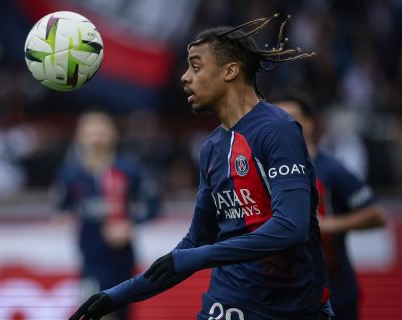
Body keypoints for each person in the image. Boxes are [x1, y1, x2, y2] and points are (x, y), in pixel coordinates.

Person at [69, 14, 334, 320]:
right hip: (225, 306)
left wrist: (197, 258)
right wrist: (114, 296)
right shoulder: (212, 148)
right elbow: (195, 241)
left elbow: (292, 227)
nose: (184, 77)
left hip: (290, 310)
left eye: (195, 66)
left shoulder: (277, 129)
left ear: (230, 71)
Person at [275, 93, 387, 320]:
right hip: (286, 296)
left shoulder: (332, 170)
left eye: (291, 118)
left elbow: (377, 215)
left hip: (336, 294)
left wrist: (326, 225)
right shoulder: (268, 171)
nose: (283, 126)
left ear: (309, 123)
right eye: (277, 120)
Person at [54, 111, 160, 320]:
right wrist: (64, 219)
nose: (96, 139)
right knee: (95, 311)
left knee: (121, 313)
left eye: (101, 132)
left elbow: (153, 205)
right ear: (79, 137)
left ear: (114, 135)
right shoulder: (70, 174)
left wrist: (129, 224)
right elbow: (61, 207)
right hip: (90, 257)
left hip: (122, 257)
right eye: (90, 133)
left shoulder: (130, 170)